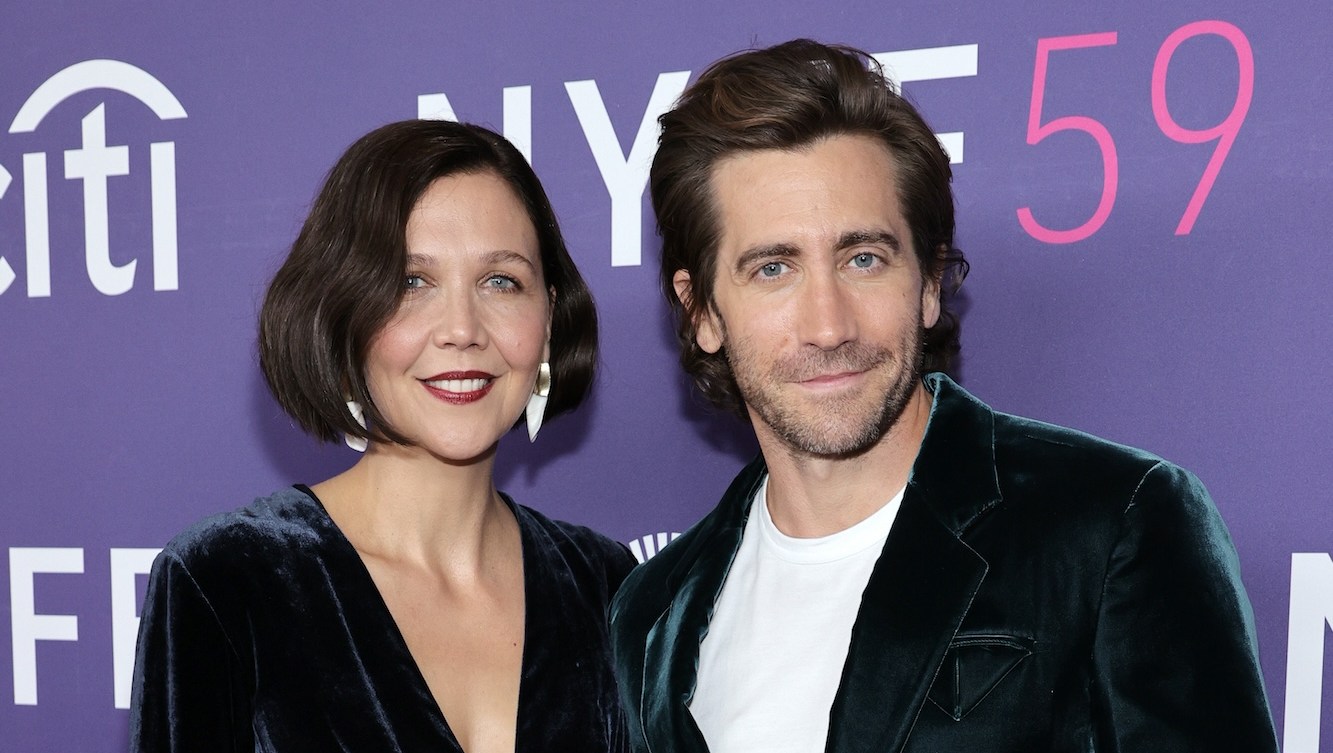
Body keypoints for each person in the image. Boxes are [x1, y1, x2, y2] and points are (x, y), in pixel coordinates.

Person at [610, 39, 1278, 753]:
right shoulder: (653, 611)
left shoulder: (1113, 525)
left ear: (928, 283)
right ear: (702, 312)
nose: (828, 326)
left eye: (863, 259)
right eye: (773, 269)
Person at [130, 120, 635, 752]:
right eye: (411, 283)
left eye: (501, 281)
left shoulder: (606, 586)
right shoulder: (228, 581)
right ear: (345, 316)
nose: (462, 330)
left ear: (550, 320)